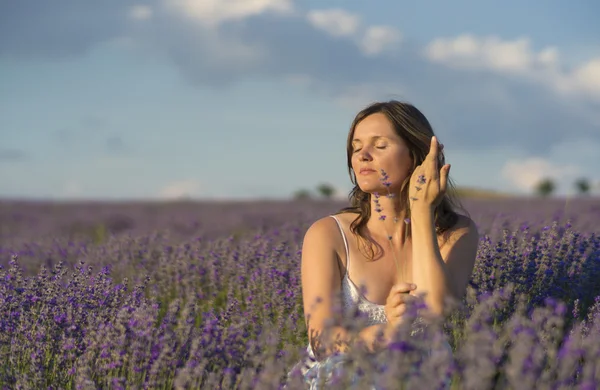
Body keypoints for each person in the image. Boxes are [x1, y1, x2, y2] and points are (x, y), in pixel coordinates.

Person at [287, 100, 479, 389]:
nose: (363, 155)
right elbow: (322, 340)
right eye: (356, 147)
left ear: (417, 155)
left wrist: (422, 211)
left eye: (379, 146)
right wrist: (386, 335)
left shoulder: (456, 233)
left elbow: (435, 310)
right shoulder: (328, 234)